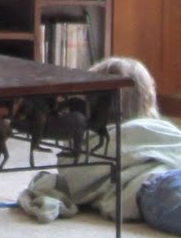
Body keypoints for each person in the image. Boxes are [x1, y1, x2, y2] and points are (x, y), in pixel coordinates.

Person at [18, 58, 181, 232]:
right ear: (147, 98)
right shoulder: (156, 128)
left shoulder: (86, 143)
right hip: (161, 183)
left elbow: (75, 179)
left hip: (154, 187)